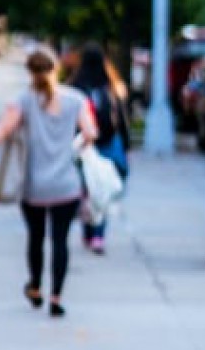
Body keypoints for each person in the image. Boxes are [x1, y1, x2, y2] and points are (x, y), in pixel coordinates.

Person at [0, 46, 97, 318]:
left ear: (30, 73)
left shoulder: (22, 101)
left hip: (33, 186)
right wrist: (77, 148)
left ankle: (35, 288)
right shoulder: (76, 100)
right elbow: (91, 132)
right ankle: (56, 297)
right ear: (56, 68)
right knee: (60, 241)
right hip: (66, 186)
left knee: (36, 238)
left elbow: (1, 130)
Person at [69, 43, 131, 255]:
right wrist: (126, 146)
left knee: (87, 189)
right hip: (108, 142)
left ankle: (88, 231)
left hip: (84, 144)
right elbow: (122, 118)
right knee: (102, 189)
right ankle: (98, 235)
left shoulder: (75, 87)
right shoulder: (111, 86)